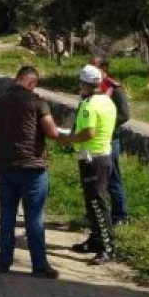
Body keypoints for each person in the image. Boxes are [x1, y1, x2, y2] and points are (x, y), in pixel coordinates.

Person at [0, 66, 63, 279]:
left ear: (16, 79)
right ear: (31, 83)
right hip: (33, 169)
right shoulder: (38, 102)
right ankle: (39, 266)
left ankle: (3, 262)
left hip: (6, 168)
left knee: (7, 216)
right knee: (34, 218)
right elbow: (53, 132)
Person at [59, 64, 118, 265]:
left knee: (97, 203)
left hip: (93, 157)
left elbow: (89, 132)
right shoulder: (107, 101)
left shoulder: (88, 104)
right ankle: (95, 239)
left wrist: (71, 138)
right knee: (92, 202)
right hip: (103, 155)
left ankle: (107, 247)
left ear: (84, 84)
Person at [91, 56, 131, 225]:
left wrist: (106, 125)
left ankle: (120, 215)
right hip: (94, 141)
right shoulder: (92, 88)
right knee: (96, 181)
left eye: (94, 67)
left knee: (113, 179)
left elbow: (124, 114)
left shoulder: (114, 88)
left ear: (104, 69)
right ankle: (97, 215)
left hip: (110, 139)